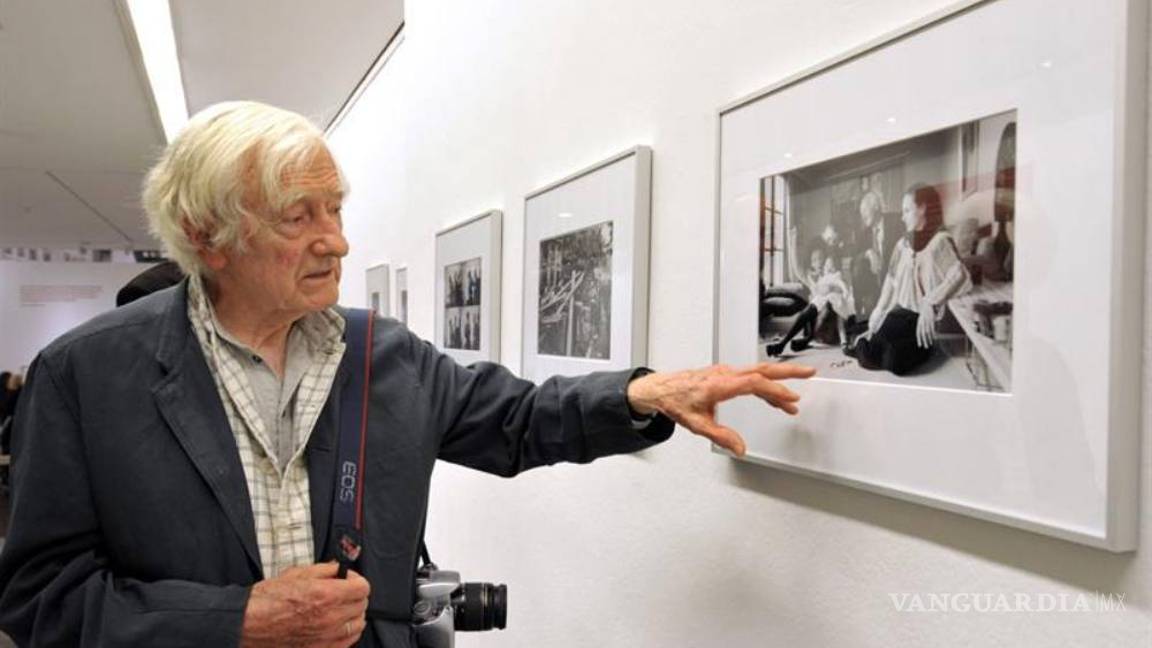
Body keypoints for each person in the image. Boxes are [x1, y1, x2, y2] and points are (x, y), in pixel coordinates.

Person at [0, 101, 815, 647]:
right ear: (207, 234)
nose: (338, 242)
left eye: (337, 209)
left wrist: (644, 395)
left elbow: (520, 419)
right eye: (299, 216)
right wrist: (235, 621)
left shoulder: (383, 354)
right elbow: (42, 598)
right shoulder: (85, 375)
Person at [851, 183, 971, 375]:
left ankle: (881, 348)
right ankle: (870, 342)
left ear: (922, 208)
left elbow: (959, 273)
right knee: (870, 352)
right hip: (900, 314)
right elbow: (890, 281)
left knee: (894, 362)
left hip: (920, 320)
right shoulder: (902, 245)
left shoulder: (940, 241)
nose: (902, 216)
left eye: (906, 210)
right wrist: (878, 312)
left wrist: (930, 302)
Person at [765, 232, 854, 357]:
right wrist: (792, 243)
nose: (818, 262)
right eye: (815, 260)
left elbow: (843, 293)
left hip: (832, 324)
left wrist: (834, 287)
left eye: (821, 258)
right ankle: (782, 344)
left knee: (826, 304)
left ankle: (808, 339)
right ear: (811, 263)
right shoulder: (810, 278)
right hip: (816, 323)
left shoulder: (833, 274)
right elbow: (797, 269)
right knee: (811, 306)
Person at [850, 189, 905, 319]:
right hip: (875, 287)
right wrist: (867, 253)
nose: (862, 214)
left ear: (876, 207)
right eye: (860, 211)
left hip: (897, 280)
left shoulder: (896, 221)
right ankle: (860, 315)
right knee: (858, 267)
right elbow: (853, 261)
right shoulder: (863, 234)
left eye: (864, 209)